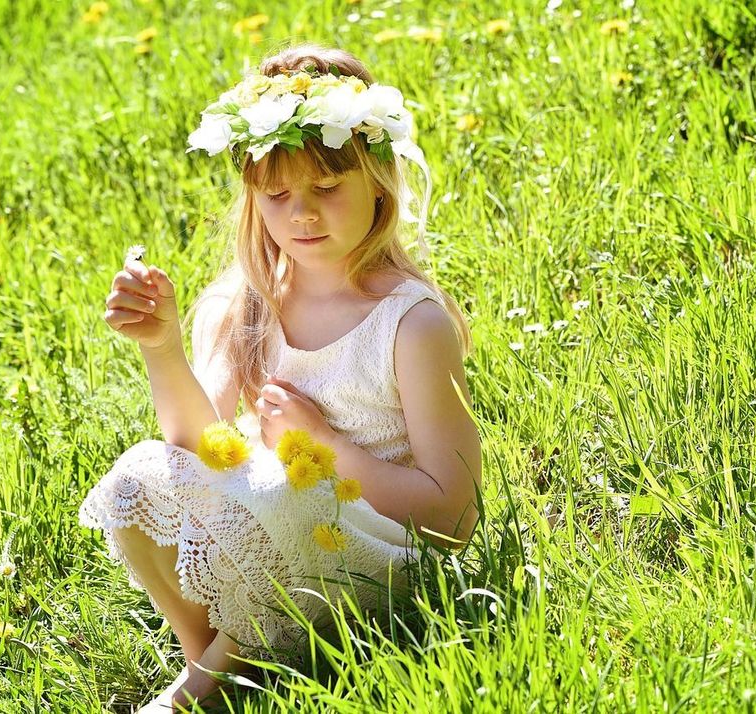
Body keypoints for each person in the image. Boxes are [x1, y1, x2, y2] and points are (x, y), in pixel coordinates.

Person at [78, 43, 482, 712]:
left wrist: (324, 450)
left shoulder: (410, 324)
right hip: (274, 537)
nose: (302, 214)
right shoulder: (243, 302)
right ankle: (214, 658)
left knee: (286, 493)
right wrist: (161, 347)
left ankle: (197, 692)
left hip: (381, 563)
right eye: (277, 195)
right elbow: (195, 448)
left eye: (326, 189)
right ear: (252, 198)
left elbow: (453, 518)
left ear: (378, 175)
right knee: (137, 477)